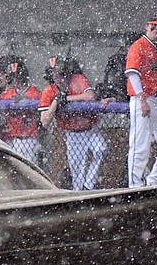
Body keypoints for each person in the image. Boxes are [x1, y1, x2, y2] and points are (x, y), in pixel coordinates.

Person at [125, 13, 157, 187]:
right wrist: (142, 100)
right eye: (154, 25)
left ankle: (152, 181)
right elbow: (133, 74)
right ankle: (134, 186)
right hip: (143, 98)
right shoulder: (138, 46)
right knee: (140, 147)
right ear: (146, 26)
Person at [39, 55, 106, 190]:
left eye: (60, 74)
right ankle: (80, 194)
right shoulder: (49, 91)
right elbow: (44, 122)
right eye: (54, 74)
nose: (57, 77)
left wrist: (68, 98)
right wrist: (56, 101)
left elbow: (90, 96)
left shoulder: (77, 79)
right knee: (77, 173)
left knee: (101, 149)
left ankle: (88, 185)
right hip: (72, 134)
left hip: (89, 128)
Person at [0, 57, 43, 164]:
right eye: (13, 77)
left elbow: (41, 102)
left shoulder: (33, 91)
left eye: (18, 76)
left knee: (29, 169)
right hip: (12, 138)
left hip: (29, 138)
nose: (16, 80)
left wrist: (24, 101)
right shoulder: (8, 93)